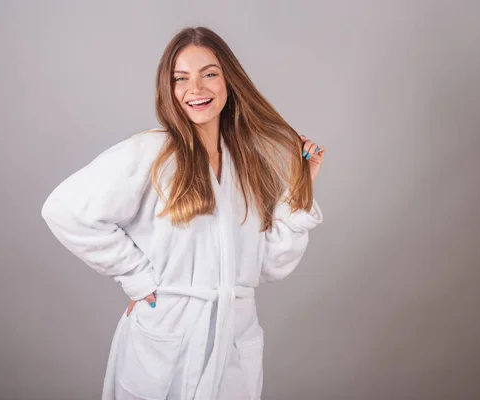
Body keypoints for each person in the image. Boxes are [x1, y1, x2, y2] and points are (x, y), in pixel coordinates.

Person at [41, 26, 325, 400]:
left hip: (233, 345)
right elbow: (63, 210)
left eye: (209, 74)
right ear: (169, 89)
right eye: (181, 78)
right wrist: (137, 277)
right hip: (166, 340)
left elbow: (268, 265)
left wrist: (299, 190)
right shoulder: (152, 153)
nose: (196, 89)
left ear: (229, 82)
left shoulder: (248, 168)